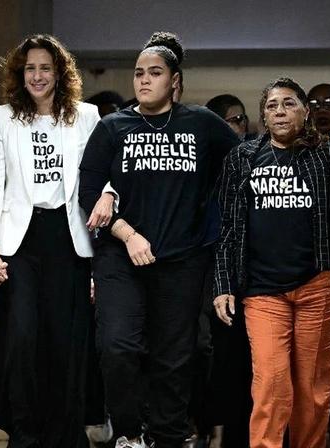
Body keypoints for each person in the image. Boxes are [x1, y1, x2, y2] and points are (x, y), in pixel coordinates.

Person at [79, 31, 241, 448]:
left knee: (175, 358)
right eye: (138, 73)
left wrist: (329, 152)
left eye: (155, 73)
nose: (144, 80)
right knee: (118, 347)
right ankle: (129, 433)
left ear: (175, 81)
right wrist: (127, 232)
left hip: (183, 260)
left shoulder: (202, 124)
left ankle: (168, 436)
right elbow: (87, 193)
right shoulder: (113, 127)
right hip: (120, 257)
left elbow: (247, 159)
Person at [0, 34, 113, 447]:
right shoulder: (4, 117)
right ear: (21, 74)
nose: (37, 75)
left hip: (69, 239)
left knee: (65, 341)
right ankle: (24, 433)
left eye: (45, 68)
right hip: (20, 241)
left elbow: (99, 174)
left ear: (59, 73)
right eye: (30, 68)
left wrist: (109, 193)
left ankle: (67, 435)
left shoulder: (86, 116)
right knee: (20, 339)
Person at [212, 77, 330, 448]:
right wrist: (224, 285)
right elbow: (229, 226)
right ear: (263, 114)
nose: (280, 111)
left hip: (319, 285)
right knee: (271, 384)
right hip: (262, 292)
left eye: (289, 103)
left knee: (313, 388)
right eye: (272, 105)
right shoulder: (242, 158)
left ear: (305, 111)